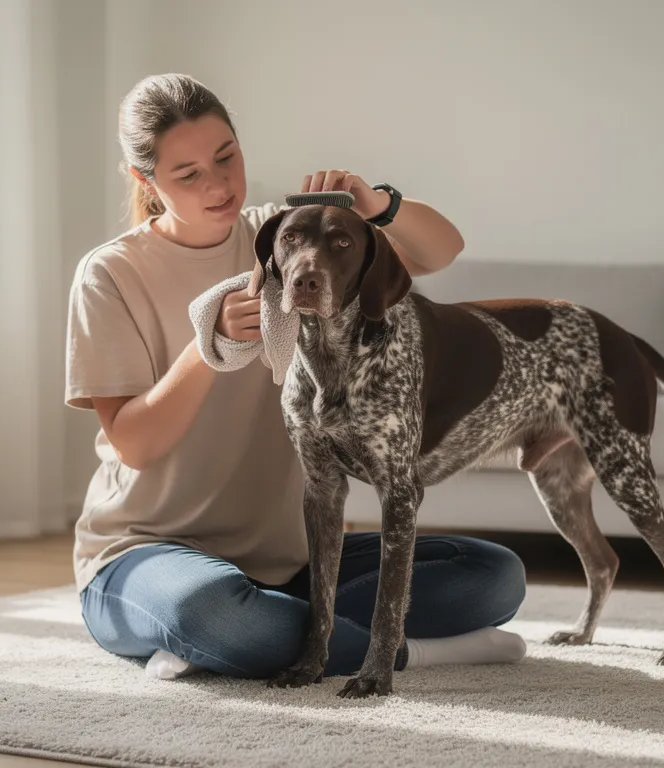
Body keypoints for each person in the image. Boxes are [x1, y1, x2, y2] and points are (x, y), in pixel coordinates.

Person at [65, 73, 527, 682]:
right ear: (144, 180)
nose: (219, 183)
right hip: (144, 554)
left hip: (283, 559)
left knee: (492, 575)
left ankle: (253, 633)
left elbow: (441, 249)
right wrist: (210, 345)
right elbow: (135, 444)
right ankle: (399, 651)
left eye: (226, 156)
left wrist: (375, 204)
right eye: (188, 174)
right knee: (213, 612)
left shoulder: (286, 236)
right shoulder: (110, 273)